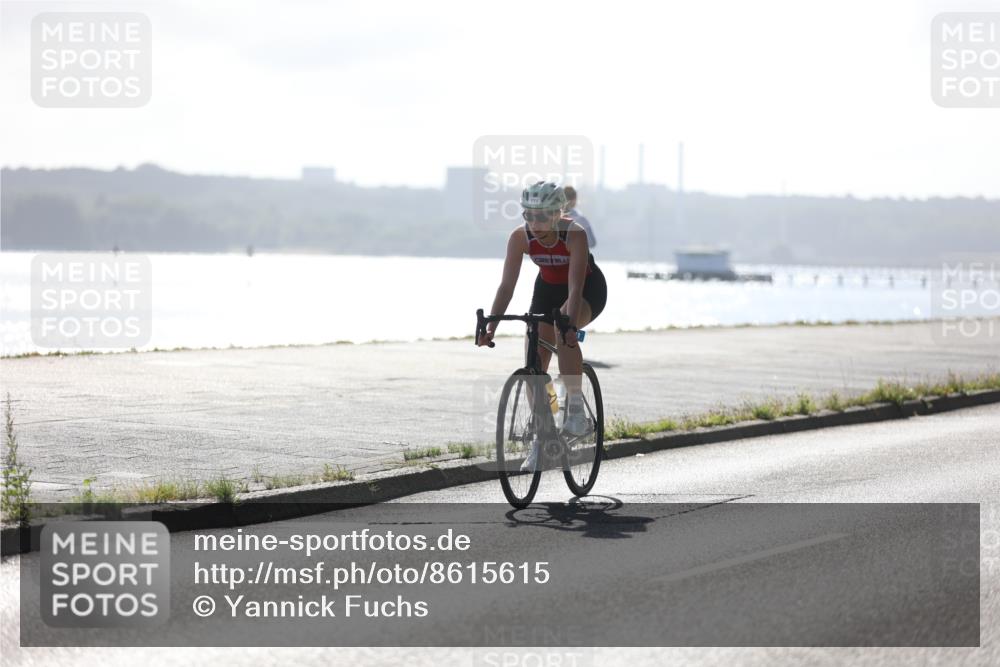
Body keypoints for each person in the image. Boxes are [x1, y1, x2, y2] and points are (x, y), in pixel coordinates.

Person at [477, 181, 608, 471]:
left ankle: (575, 409)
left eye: (542, 216)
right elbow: (506, 287)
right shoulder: (519, 237)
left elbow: (575, 290)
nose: (534, 223)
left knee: (563, 329)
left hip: (587, 290)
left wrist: (570, 326)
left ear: (558, 214)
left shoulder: (574, 234)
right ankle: (543, 437)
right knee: (534, 362)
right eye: (528, 215)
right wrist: (491, 326)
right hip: (547, 289)